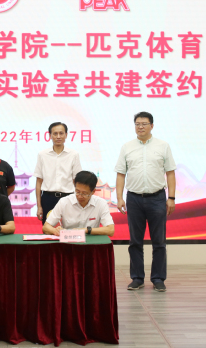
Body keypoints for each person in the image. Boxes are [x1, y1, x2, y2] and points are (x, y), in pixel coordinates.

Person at [115, 111, 176, 293]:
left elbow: (170, 173)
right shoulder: (127, 147)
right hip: (134, 198)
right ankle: (137, 278)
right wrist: (119, 198)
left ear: (152, 126)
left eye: (144, 123)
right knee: (135, 241)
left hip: (157, 198)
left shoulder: (163, 146)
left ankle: (158, 278)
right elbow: (121, 174)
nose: (140, 127)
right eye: (137, 124)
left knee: (159, 241)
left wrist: (171, 198)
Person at [34, 122, 82, 225]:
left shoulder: (74, 155)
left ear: (66, 135)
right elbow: (39, 182)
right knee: (49, 229)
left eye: (61, 133)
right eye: (55, 134)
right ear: (50, 135)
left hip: (68, 197)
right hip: (48, 198)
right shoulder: (42, 155)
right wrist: (39, 206)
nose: (58, 136)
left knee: (69, 229)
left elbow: (77, 181)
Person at [43, 171, 114, 237]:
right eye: (77, 191)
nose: (80, 196)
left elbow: (111, 230)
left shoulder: (101, 203)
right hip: (69, 241)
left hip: (91, 243)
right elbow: (45, 227)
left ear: (93, 191)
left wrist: (86, 230)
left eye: (84, 193)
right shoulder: (64, 202)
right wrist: (55, 231)